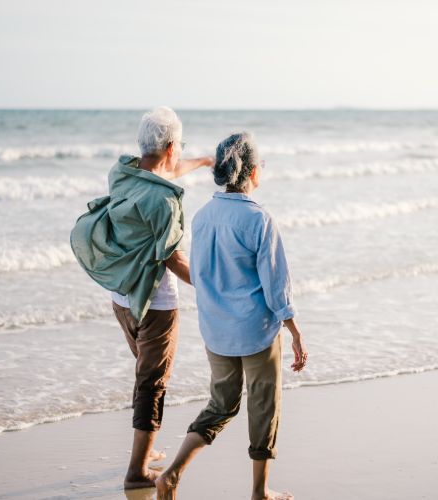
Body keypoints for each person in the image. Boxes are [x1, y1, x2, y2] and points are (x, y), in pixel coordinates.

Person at [156, 132, 308, 500]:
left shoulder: (203, 217)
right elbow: (276, 286)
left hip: (216, 331)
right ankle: (259, 492)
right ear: (253, 172)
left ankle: (172, 474)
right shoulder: (259, 220)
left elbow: (202, 273)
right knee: (263, 408)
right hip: (256, 332)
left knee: (221, 405)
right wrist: (294, 330)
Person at [70, 107, 214, 489]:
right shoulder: (165, 203)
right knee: (154, 383)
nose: (179, 152)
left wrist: (201, 161)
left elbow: (160, 176)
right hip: (156, 307)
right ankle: (137, 472)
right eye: (179, 147)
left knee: (143, 375)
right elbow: (173, 259)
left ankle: (144, 450)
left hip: (122, 300)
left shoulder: (122, 174)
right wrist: (211, 282)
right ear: (170, 147)